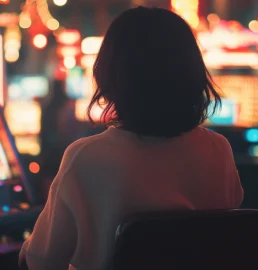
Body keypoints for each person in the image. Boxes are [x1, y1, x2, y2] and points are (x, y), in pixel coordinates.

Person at [19, 6, 244, 270]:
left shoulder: (86, 157)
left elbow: (40, 260)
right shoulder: (218, 150)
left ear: (111, 75)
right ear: (193, 73)